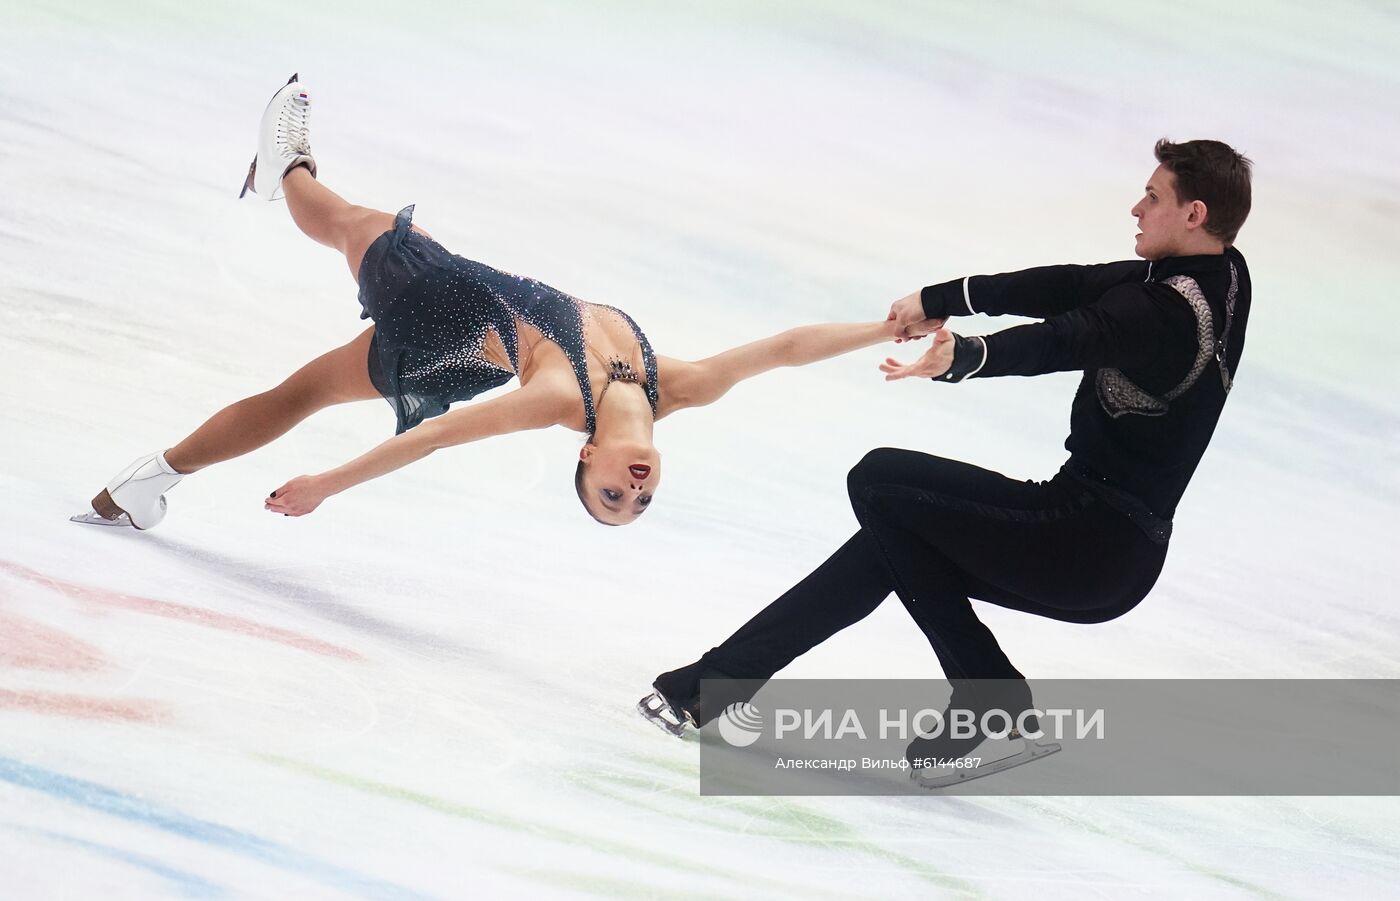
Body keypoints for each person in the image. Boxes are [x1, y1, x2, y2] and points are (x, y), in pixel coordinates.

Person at [641, 139, 1254, 764]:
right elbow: (1070, 286)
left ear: (1194, 214)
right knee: (891, 541)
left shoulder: (1168, 312)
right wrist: (943, 298)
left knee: (879, 481)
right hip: (1114, 550)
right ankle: (709, 686)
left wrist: (968, 355)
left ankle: (987, 687)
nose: (1136, 208)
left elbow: (1068, 337)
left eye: (1153, 197)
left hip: (1084, 539)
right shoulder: (1223, 272)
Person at [73, 75, 904, 531]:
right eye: (639, 500)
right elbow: (786, 348)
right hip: (462, 332)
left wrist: (328, 483)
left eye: (612, 497)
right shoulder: (675, 386)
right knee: (304, 388)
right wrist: (886, 326)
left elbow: (435, 437)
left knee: (349, 224)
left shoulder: (560, 398)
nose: (633, 490)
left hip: (437, 306)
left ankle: (284, 168)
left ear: (587, 457)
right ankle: (148, 480)